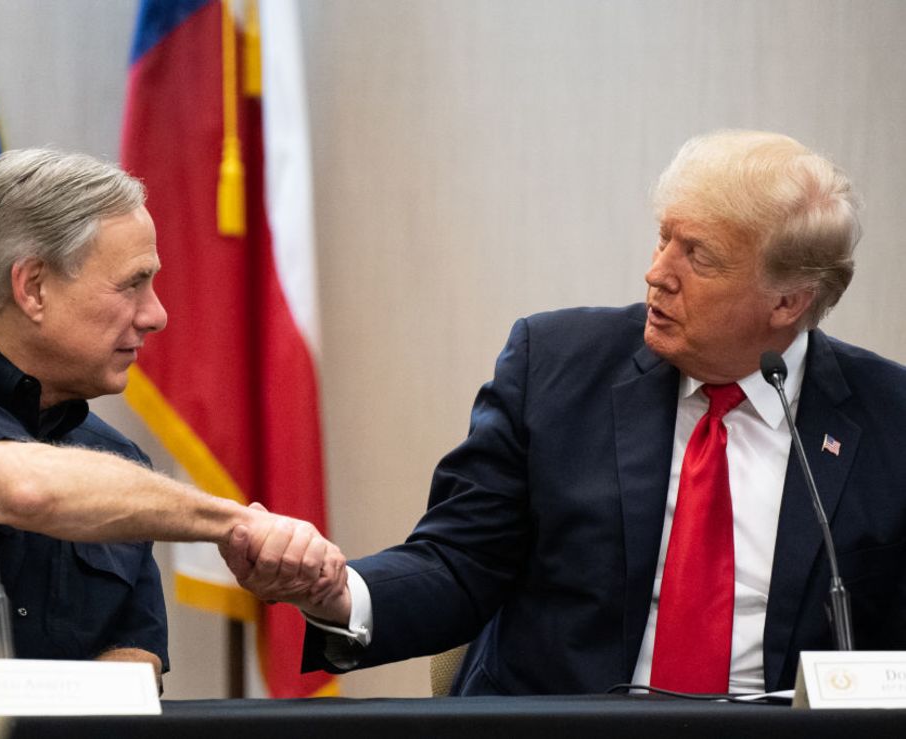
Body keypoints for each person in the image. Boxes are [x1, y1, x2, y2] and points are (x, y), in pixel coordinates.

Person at [223, 130, 906, 695]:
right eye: (664, 237)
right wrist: (338, 591)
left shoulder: (889, 420)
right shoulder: (554, 368)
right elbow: (460, 563)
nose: (657, 272)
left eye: (697, 255)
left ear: (787, 302)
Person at [0, 149, 345, 680]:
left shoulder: (117, 462)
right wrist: (236, 523)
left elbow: (135, 658)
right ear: (32, 287)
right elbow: (25, 489)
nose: (157, 315)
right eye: (133, 283)